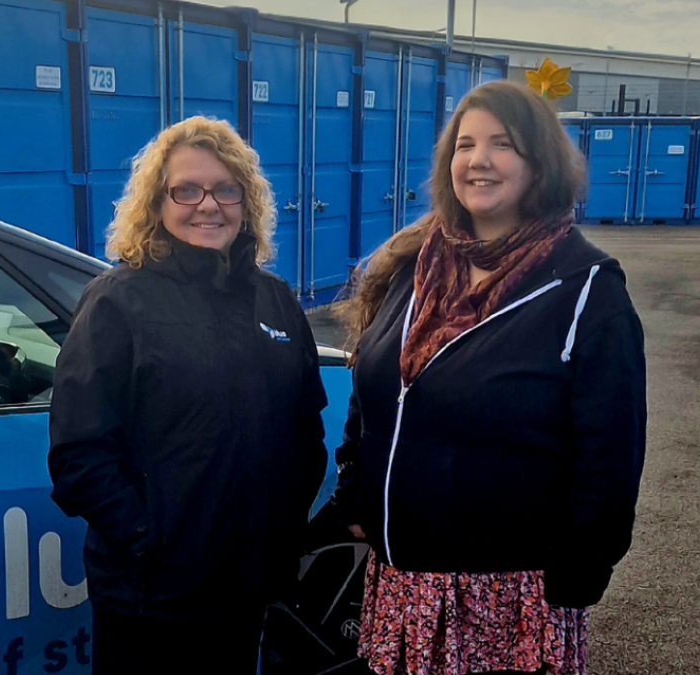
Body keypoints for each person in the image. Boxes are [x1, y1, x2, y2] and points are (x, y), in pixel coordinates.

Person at [332, 81, 647, 675]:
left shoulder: (587, 290)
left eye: (502, 144)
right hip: (404, 588)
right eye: (465, 145)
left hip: (508, 598)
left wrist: (583, 566)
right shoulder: (416, 266)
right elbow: (377, 385)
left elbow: (612, 449)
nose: (478, 160)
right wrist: (354, 488)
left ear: (539, 164)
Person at [48, 116, 327, 674]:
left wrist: (280, 535)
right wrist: (149, 540)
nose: (208, 206)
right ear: (157, 203)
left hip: (246, 590)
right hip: (150, 599)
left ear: (246, 202)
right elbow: (79, 454)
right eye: (187, 191)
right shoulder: (117, 303)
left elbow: (304, 434)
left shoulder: (275, 301)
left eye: (226, 190)